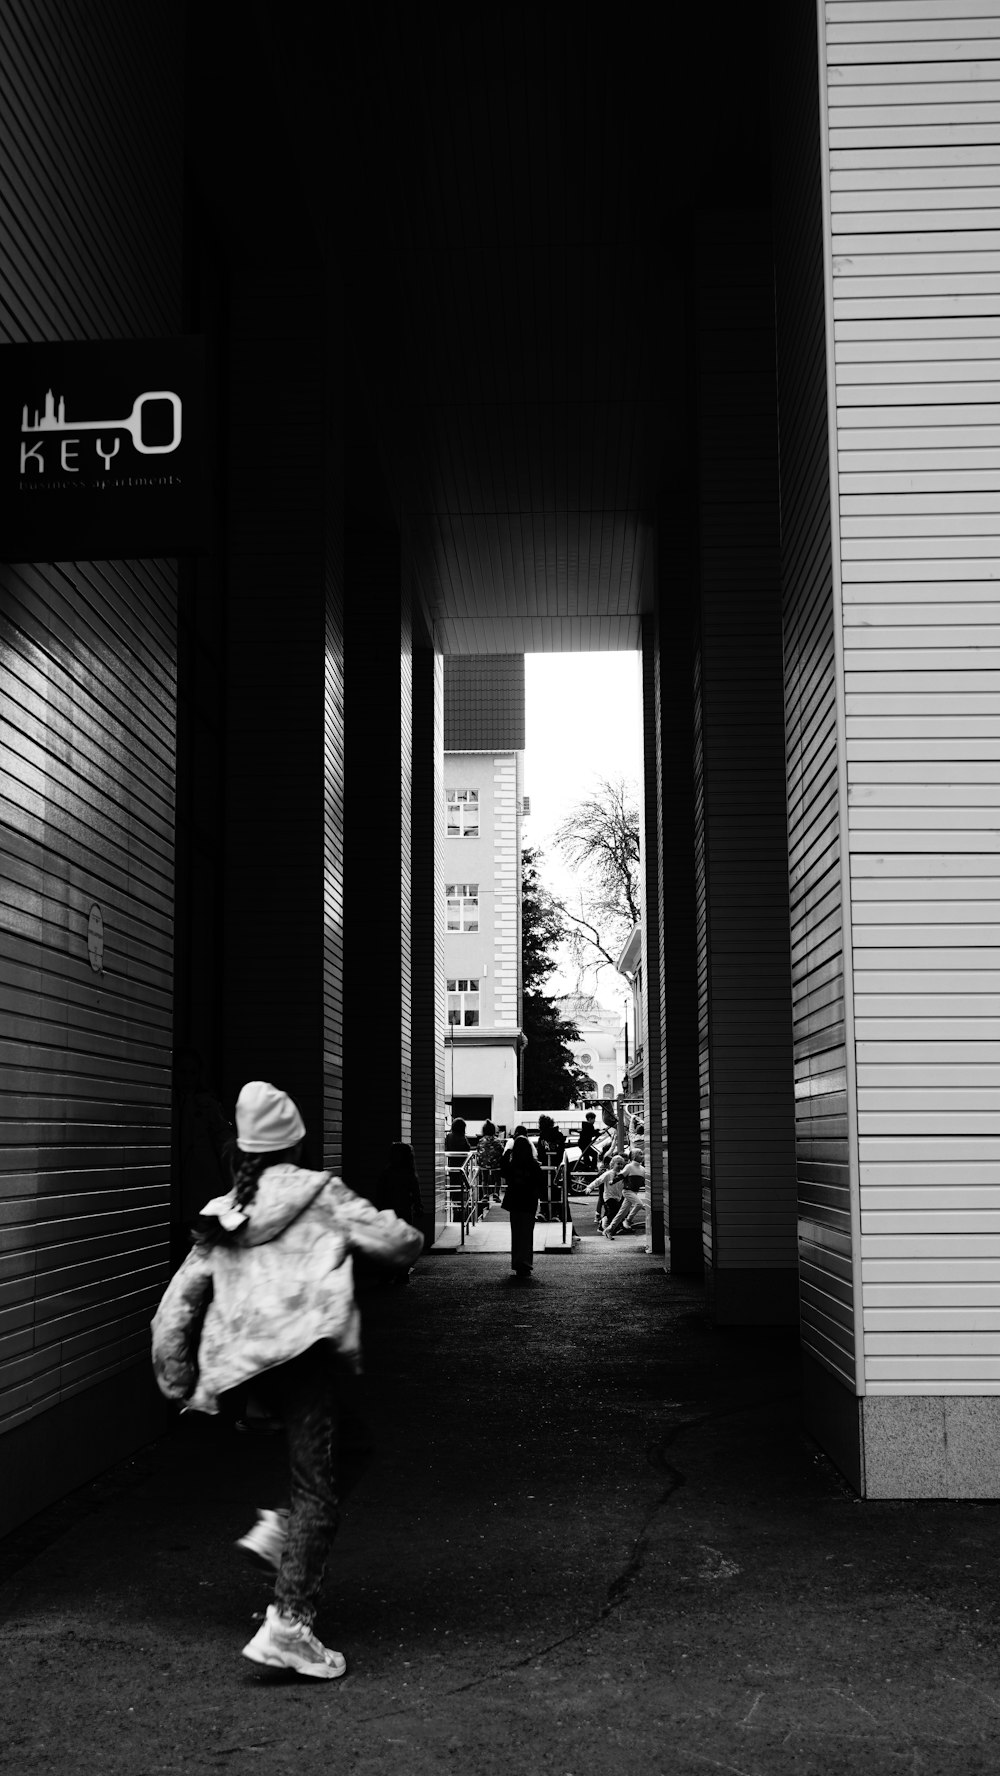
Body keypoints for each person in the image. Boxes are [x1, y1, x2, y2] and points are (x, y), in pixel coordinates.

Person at [151, 1080, 423, 1679]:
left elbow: (174, 1309)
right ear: (296, 1143)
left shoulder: (228, 1213)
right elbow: (398, 1243)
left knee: (353, 1446)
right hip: (305, 1357)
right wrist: (399, 1240)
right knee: (317, 1490)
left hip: (255, 1372)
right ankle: (288, 1625)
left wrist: (178, 1381)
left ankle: (279, 1530)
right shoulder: (318, 1193)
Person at [374, 1142, 424, 1282]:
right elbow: (415, 1191)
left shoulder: (387, 1172)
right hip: (405, 1210)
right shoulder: (409, 1172)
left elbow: (380, 1192)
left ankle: (390, 1272)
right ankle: (402, 1272)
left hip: (388, 1210)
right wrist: (418, 1206)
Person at [500, 1133, 544, 1282]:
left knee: (517, 1233)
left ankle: (517, 1264)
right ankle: (526, 1264)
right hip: (529, 1203)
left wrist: (508, 1150)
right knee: (527, 1234)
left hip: (515, 1203)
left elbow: (502, 1167)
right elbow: (541, 1184)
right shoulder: (534, 1165)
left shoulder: (513, 1165)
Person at [604, 1161, 647, 1239]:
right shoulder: (629, 1166)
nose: (642, 1155)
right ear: (633, 1156)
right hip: (627, 1191)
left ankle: (609, 1229)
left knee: (621, 1213)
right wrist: (613, 1181)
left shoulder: (642, 1169)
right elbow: (621, 1175)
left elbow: (644, 1181)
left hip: (634, 1192)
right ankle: (628, 1220)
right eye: (639, 1153)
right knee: (639, 1204)